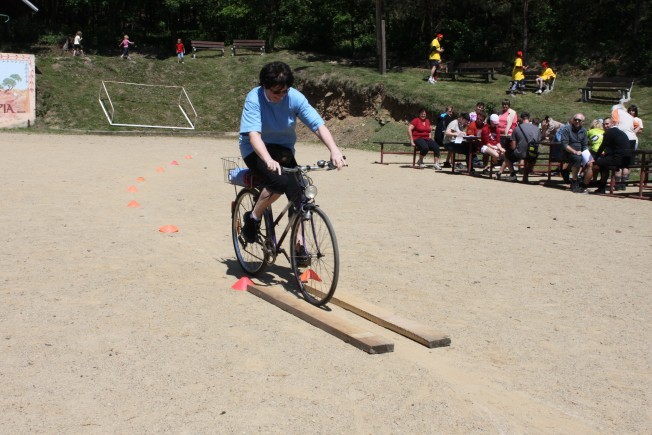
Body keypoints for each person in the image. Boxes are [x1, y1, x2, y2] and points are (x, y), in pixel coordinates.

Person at [239, 62, 345, 243]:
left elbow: (317, 125)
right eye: (276, 92)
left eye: (285, 91)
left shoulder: (295, 97)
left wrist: (334, 150)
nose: (281, 96)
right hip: (255, 150)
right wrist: (267, 159)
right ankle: (253, 218)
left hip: (283, 150)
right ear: (264, 86)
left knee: (300, 196)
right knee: (278, 182)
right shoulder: (254, 98)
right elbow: (254, 135)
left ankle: (299, 244)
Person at [593, 117, 631, 194]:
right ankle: (602, 185)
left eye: (607, 124)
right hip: (626, 160)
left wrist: (595, 158)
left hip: (618, 159)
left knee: (599, 163)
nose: (605, 126)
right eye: (604, 124)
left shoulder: (609, 132)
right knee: (604, 161)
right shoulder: (620, 132)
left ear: (612, 123)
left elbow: (602, 146)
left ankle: (601, 185)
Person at [559, 113, 591, 193]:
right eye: (575, 119)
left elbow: (585, 145)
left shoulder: (584, 131)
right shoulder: (567, 129)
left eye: (579, 120)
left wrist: (587, 155)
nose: (577, 121)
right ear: (573, 120)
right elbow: (564, 145)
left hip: (580, 152)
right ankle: (574, 181)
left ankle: (584, 183)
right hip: (567, 152)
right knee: (577, 158)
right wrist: (575, 151)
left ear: (582, 122)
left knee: (590, 162)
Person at [508, 112, 541, 183]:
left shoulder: (517, 129)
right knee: (531, 157)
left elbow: (513, 147)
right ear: (529, 118)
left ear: (521, 118)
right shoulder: (537, 129)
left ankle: (513, 174)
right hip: (532, 154)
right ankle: (525, 176)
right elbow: (538, 142)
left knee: (506, 155)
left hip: (520, 154)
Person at [611, 104, 637, 190]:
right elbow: (636, 125)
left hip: (622, 138)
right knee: (626, 163)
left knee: (618, 163)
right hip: (632, 138)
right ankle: (623, 184)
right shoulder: (629, 115)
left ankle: (617, 184)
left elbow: (615, 123)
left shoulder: (615, 111)